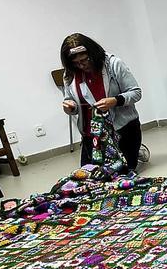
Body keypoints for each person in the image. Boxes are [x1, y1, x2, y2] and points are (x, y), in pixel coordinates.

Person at [60, 33, 143, 171]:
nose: (81, 65)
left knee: (122, 174)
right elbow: (69, 100)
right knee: (89, 177)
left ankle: (133, 151)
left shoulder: (114, 64)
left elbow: (136, 93)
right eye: (76, 63)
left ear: (93, 54)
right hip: (92, 134)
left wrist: (115, 101)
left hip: (123, 129)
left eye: (84, 59)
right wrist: (70, 107)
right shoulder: (70, 73)